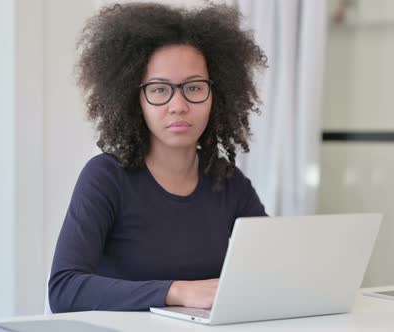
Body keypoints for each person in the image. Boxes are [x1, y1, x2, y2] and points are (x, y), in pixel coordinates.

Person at [48, 2, 268, 313]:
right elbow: (63, 290)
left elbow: (270, 275)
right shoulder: (106, 177)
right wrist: (176, 292)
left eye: (193, 87)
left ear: (215, 96)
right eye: (160, 89)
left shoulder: (229, 183)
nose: (178, 105)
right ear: (134, 98)